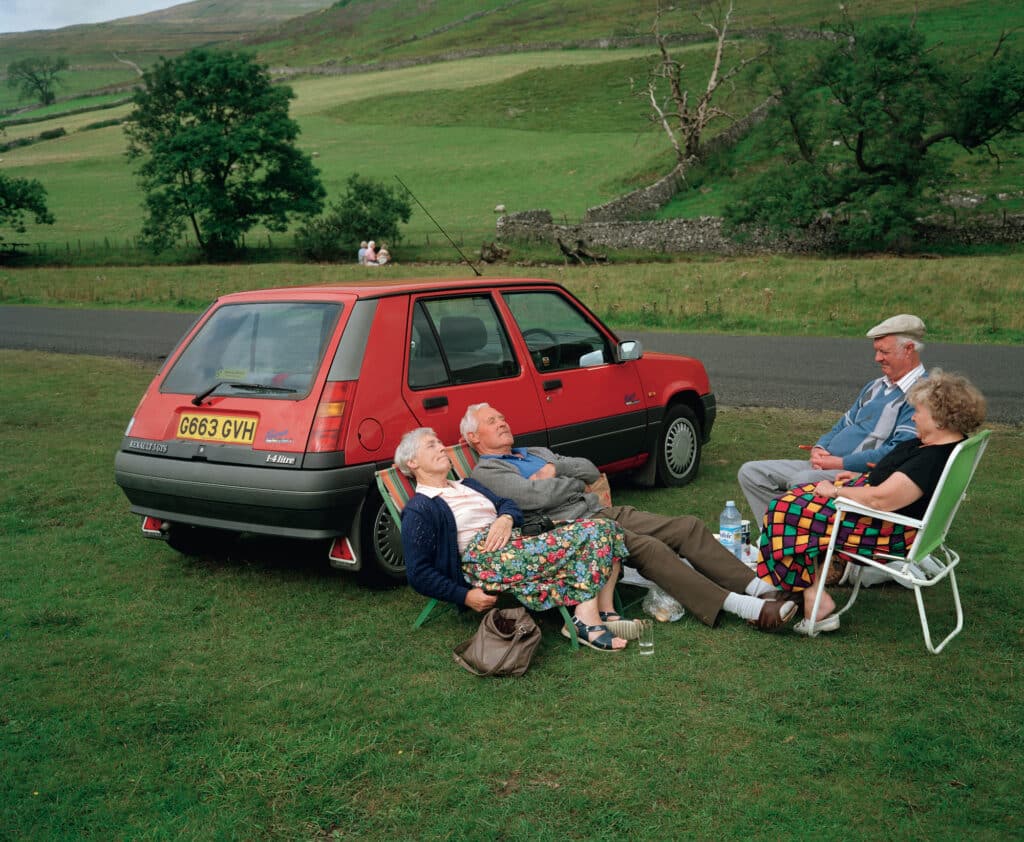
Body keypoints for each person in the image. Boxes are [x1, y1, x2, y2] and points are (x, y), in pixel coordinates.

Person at [462, 404, 797, 632]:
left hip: (601, 510)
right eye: (492, 421)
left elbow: (589, 470)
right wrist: (571, 482)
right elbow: (535, 498)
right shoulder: (488, 470)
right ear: (474, 439)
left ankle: (762, 590)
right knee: (650, 549)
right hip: (575, 528)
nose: (503, 422)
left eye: (502, 417)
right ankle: (748, 609)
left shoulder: (534, 453)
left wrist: (555, 470)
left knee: (687, 526)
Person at [756, 370, 986, 635]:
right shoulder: (943, 445)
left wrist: (835, 492)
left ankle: (810, 599)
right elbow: (893, 479)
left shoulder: (932, 459)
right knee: (795, 502)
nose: (913, 416)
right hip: (879, 512)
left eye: (919, 411)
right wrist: (859, 476)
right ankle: (811, 593)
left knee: (783, 512)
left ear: (940, 420)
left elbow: (882, 499)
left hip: (885, 529)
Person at [397, 427, 631, 651]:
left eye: (440, 443)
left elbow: (506, 503)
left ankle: (604, 611)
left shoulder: (466, 485)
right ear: (413, 463)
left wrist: (506, 518)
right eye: (431, 445)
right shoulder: (420, 508)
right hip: (486, 559)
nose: (441, 448)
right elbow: (418, 573)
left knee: (608, 527)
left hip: (514, 538)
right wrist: (465, 596)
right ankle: (585, 622)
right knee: (590, 535)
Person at [738, 314, 928, 530]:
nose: (877, 358)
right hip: (826, 463)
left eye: (884, 352)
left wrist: (838, 463)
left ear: (909, 349)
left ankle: (797, 543)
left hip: (857, 475)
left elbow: (896, 453)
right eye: (876, 351)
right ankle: (774, 537)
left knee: (803, 480)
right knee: (751, 473)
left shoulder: (920, 394)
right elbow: (842, 424)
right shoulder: (875, 386)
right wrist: (820, 447)